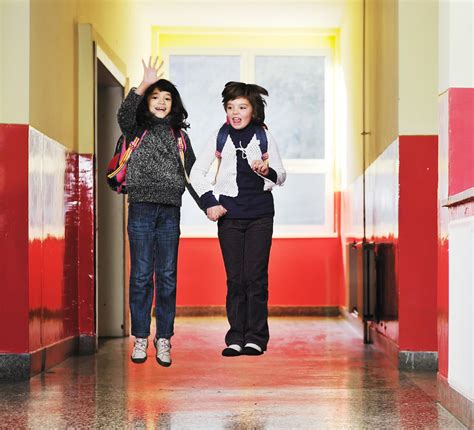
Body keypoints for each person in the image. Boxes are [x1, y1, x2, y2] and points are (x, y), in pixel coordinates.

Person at [190, 81, 286, 357]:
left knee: (255, 278)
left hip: (260, 216)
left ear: (253, 110)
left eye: (242, 107)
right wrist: (210, 202)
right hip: (230, 218)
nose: (235, 112)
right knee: (236, 279)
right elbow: (197, 173)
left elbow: (281, 175)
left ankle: (256, 338)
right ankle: (235, 337)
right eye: (230, 107)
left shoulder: (264, 137)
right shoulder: (220, 136)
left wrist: (267, 171)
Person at [117, 57, 200, 366]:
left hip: (169, 211)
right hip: (140, 207)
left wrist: (209, 204)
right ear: (148, 101)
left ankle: (163, 338)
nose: (162, 102)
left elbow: (192, 175)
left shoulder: (179, 136)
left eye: (167, 98)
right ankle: (140, 337)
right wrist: (144, 83)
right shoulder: (137, 127)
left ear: (174, 104)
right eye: (156, 97)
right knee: (140, 275)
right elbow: (123, 113)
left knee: (166, 276)